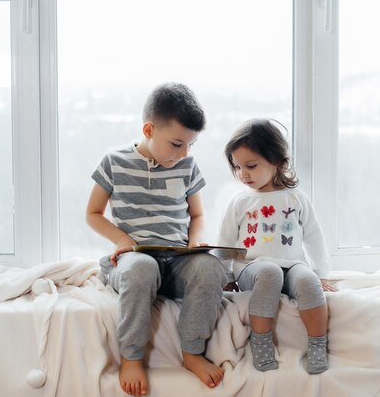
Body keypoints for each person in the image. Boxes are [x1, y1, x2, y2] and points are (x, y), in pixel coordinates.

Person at [86, 82, 228, 396]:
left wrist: (196, 240)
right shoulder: (114, 162)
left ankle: (192, 353)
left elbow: (198, 216)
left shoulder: (187, 166)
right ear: (149, 129)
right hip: (133, 261)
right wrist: (122, 240)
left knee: (211, 268)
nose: (184, 154)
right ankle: (131, 356)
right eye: (177, 143)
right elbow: (93, 213)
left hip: (177, 260)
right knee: (141, 268)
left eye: (191, 145)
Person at [217, 118, 336, 375]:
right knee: (270, 272)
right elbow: (225, 241)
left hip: (292, 265)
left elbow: (314, 236)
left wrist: (321, 273)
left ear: (277, 161)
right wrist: (226, 275)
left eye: (250, 166)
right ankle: (260, 343)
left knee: (307, 281)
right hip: (253, 269)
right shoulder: (240, 201)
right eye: (237, 167)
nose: (243, 174)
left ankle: (318, 345)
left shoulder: (295, 198)